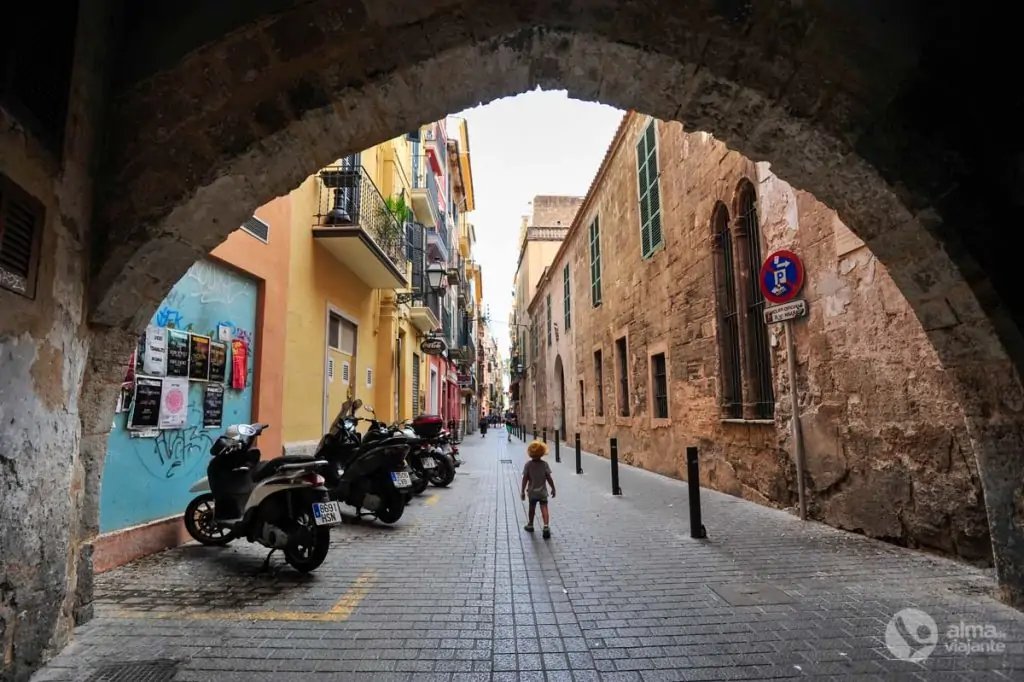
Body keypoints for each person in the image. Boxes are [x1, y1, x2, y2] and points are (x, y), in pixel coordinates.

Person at [521, 440, 556, 538]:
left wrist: (523, 491)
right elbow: (549, 478)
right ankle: (545, 526)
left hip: (532, 492)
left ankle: (531, 524)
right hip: (542, 492)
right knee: (544, 508)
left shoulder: (528, 465)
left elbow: (525, 479)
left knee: (532, 508)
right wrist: (553, 488)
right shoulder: (544, 464)